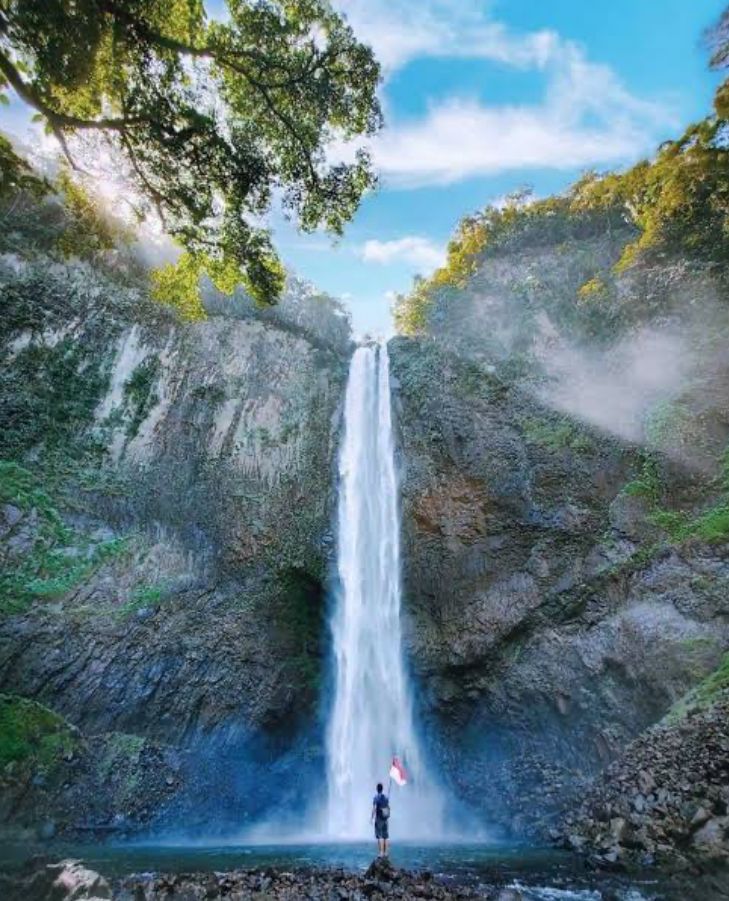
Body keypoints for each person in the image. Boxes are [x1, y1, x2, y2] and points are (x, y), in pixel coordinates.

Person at [371, 781, 390, 857]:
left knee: (379, 836)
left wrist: (372, 817)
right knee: (386, 836)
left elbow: (374, 808)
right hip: (385, 818)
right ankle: (386, 853)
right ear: (382, 789)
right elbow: (387, 807)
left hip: (379, 818)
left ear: (377, 789)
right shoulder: (386, 797)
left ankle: (381, 853)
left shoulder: (376, 797)